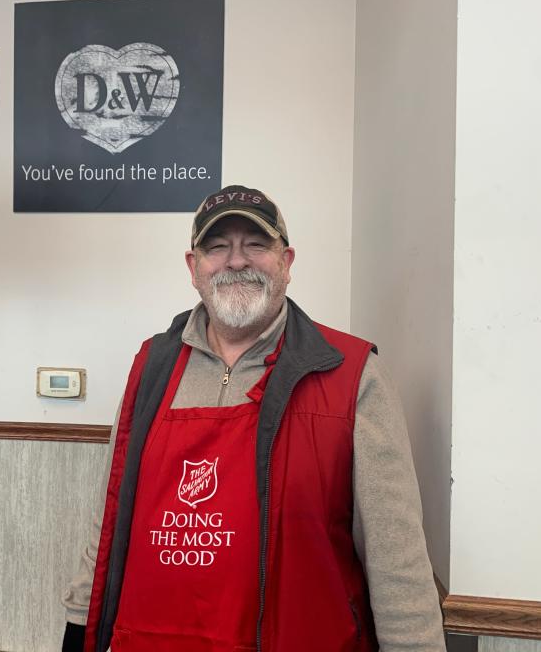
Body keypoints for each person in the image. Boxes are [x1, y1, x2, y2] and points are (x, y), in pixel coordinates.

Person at [60, 185, 446, 652]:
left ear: (287, 261)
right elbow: (109, 517)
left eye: (256, 245)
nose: (236, 261)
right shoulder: (151, 366)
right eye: (217, 246)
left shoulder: (354, 376)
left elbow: (397, 563)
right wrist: (79, 623)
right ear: (193, 267)